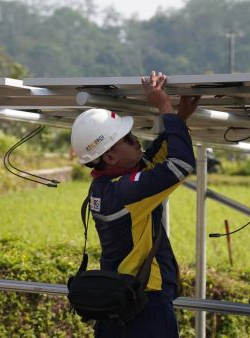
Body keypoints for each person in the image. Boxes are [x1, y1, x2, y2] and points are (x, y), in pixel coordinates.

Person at [70, 71, 200, 338]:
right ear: (110, 156)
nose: (136, 138)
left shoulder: (107, 186)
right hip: (144, 308)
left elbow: (151, 163)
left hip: (120, 305)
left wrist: (178, 119)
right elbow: (180, 165)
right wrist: (164, 107)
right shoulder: (126, 193)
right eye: (128, 138)